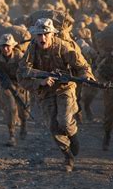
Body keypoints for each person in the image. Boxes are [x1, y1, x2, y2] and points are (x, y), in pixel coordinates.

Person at [18, 18, 95, 172]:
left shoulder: (63, 47)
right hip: (45, 91)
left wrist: (86, 76)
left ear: (52, 34)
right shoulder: (32, 49)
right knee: (53, 126)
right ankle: (67, 156)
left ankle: (73, 136)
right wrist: (39, 83)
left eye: (46, 34)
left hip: (65, 88)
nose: (42, 38)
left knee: (65, 121)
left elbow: (82, 66)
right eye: (39, 35)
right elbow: (21, 74)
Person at [0, 34, 27, 146]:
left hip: (20, 85)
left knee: (23, 110)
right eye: (3, 46)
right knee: (10, 109)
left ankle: (24, 125)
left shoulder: (20, 56)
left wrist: (21, 84)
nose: (5, 49)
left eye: (8, 46)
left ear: (12, 46)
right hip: (5, 85)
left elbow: (27, 72)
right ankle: (12, 135)